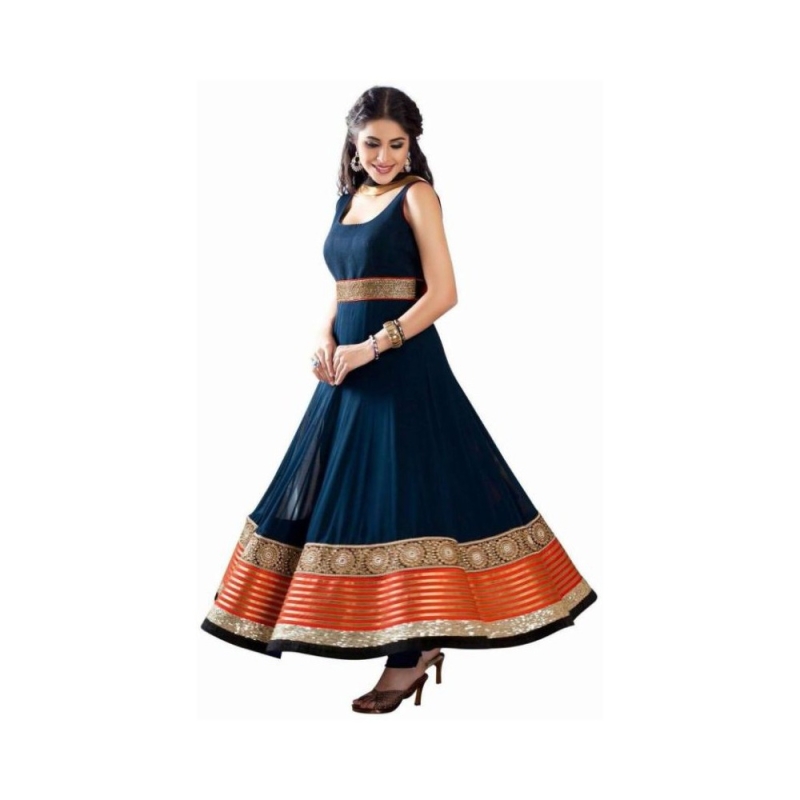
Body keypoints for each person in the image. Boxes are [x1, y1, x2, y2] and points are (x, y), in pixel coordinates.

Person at [200, 85, 598, 714]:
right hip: (348, 370)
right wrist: (324, 339)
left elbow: (443, 293)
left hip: (404, 369)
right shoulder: (348, 200)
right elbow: (343, 286)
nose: (383, 156)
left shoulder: (417, 196)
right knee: (343, 499)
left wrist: (372, 346)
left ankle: (410, 653)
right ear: (353, 145)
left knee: (405, 501)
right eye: (371, 144)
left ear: (412, 146)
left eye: (396, 144)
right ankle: (400, 638)